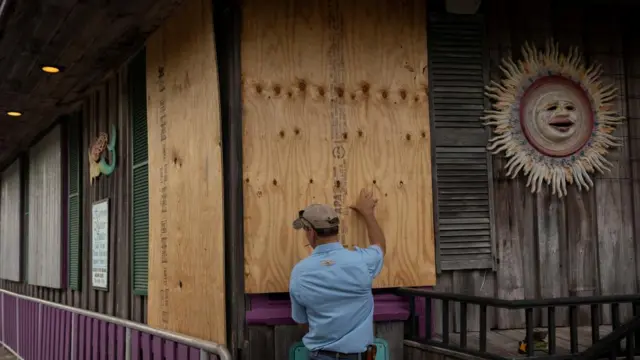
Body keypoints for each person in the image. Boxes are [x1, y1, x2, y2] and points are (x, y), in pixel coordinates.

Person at [289, 188, 386, 360]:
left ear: (311, 232)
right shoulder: (362, 262)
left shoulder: (300, 273)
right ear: (336, 229)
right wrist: (368, 214)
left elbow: (302, 322)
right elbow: (379, 247)